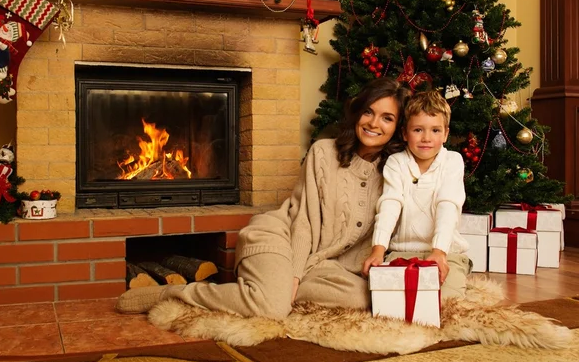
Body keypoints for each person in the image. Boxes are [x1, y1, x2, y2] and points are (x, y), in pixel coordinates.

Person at [116, 78, 410, 318]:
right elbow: (305, 222)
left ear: (398, 128)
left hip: (329, 268)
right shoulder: (324, 152)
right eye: (368, 112)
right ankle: (171, 293)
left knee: (365, 299)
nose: (374, 123)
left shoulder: (398, 173)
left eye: (387, 118)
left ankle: (276, 287)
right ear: (358, 113)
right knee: (273, 308)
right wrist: (294, 276)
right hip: (281, 238)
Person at [362, 90, 471, 299]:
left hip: (446, 253)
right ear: (405, 133)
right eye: (418, 130)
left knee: (447, 301)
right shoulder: (396, 163)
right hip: (401, 252)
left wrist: (438, 251)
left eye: (436, 130)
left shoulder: (452, 161)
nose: (426, 138)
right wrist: (378, 249)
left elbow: (447, 206)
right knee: (388, 301)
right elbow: (389, 205)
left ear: (446, 134)